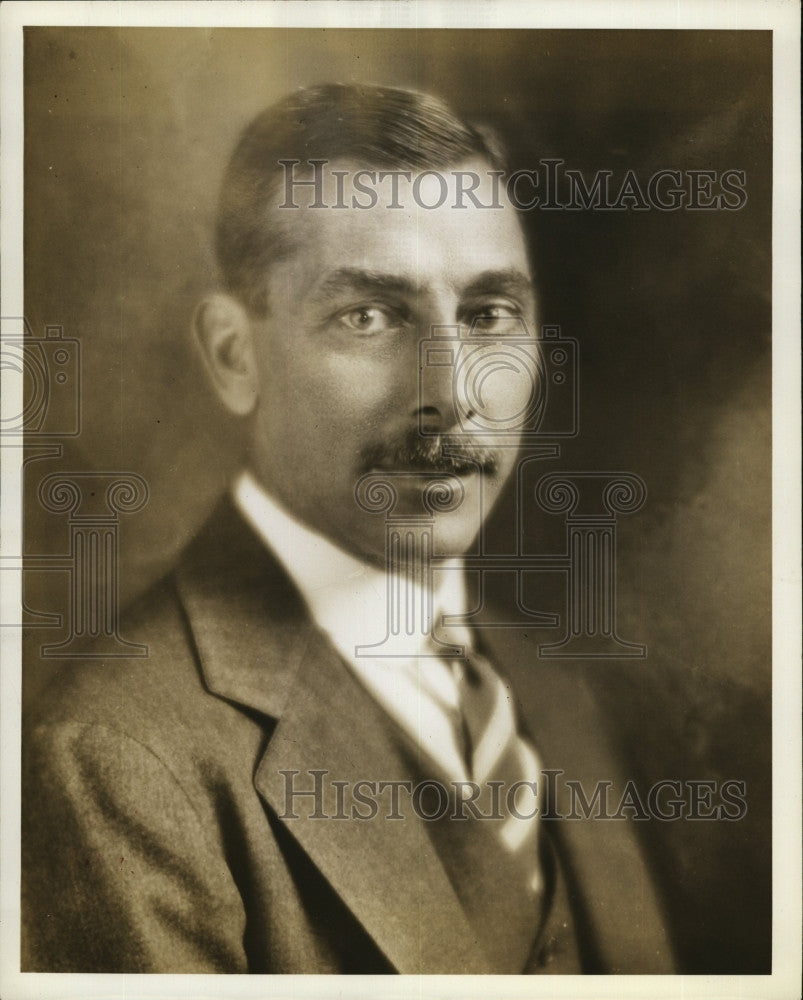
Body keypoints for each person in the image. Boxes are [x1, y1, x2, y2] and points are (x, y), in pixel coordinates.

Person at [20, 83, 758, 975]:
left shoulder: (552, 684)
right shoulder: (114, 759)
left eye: (488, 315)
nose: (451, 393)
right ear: (233, 355)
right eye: (367, 316)